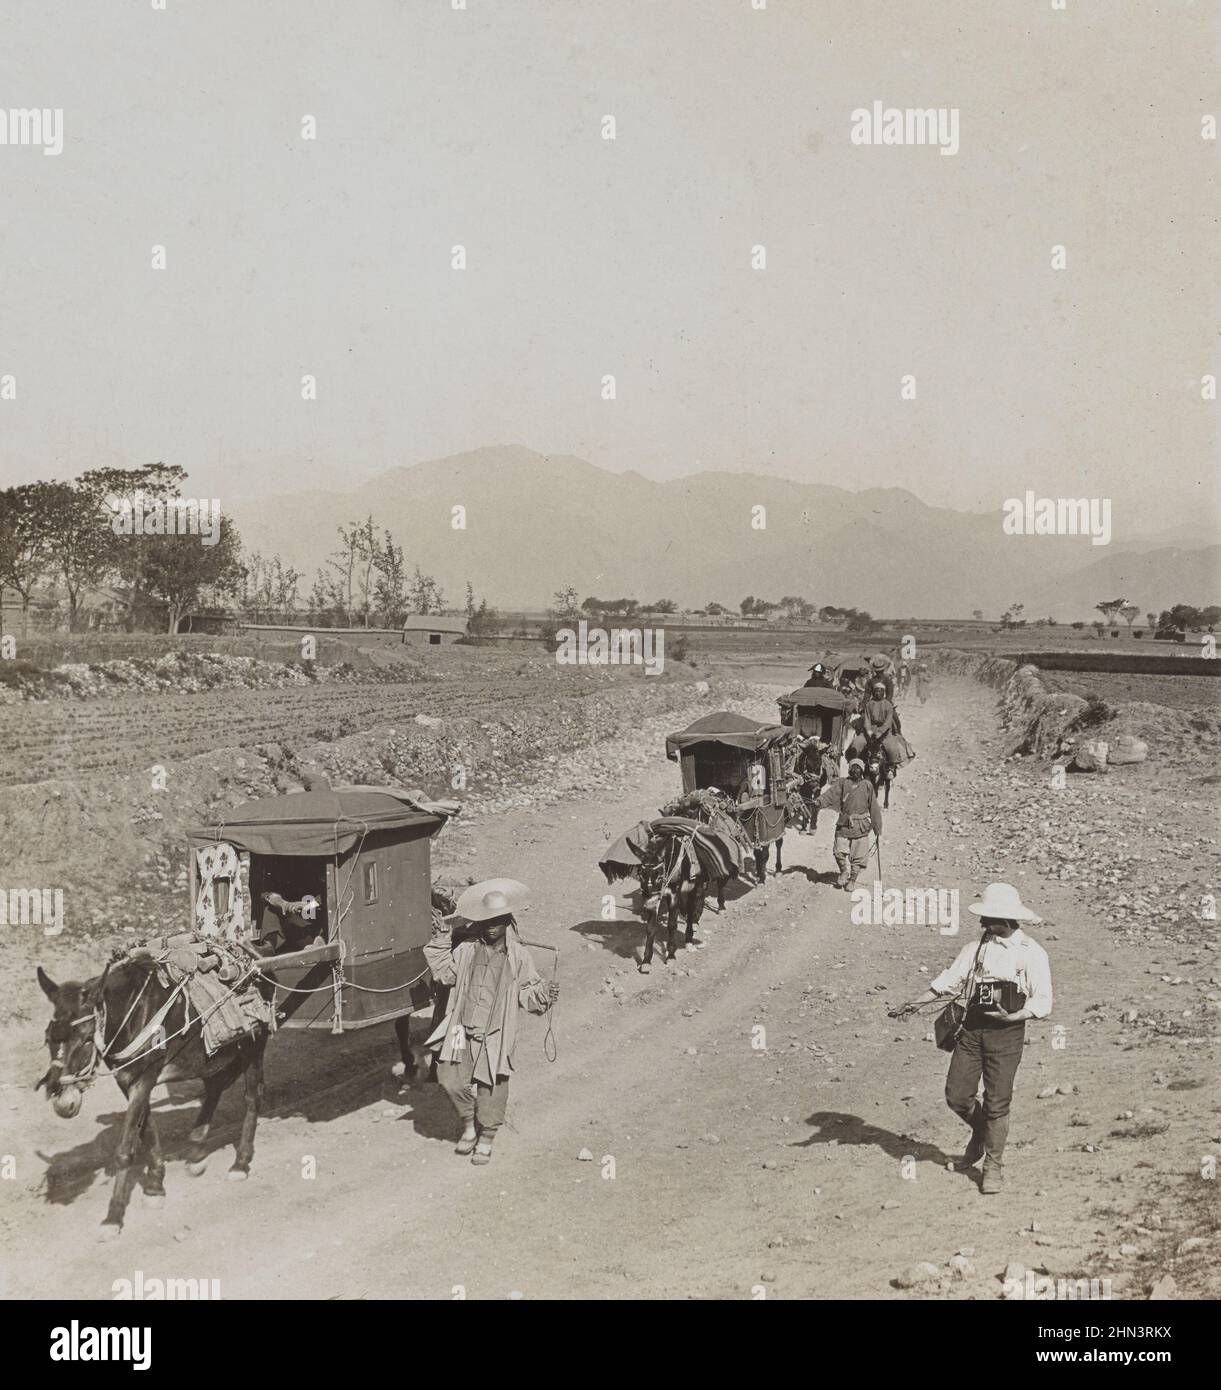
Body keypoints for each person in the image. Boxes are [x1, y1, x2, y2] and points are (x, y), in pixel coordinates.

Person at [891, 883, 1053, 1194]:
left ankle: (993, 1166)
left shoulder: (1031, 954)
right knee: (957, 1094)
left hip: (1007, 1035)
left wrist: (1015, 1016)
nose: (982, 924)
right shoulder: (976, 947)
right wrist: (912, 1004)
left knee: (997, 1102)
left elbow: (1043, 1000)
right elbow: (947, 984)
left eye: (989, 919)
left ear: (1006, 921)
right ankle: (981, 1132)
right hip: (972, 1030)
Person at [424, 878, 558, 1165]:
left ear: (507, 921)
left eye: (496, 921)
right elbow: (446, 975)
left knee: (491, 1085)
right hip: (460, 1027)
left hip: (493, 1032)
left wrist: (545, 993)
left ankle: (485, 1137)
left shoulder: (519, 956)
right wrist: (441, 941)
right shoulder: (467, 949)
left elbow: (528, 994)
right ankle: (469, 1123)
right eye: (485, 921)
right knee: (448, 1077)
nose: (490, 927)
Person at [816, 758, 882, 890]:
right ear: (850, 769)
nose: (855, 770)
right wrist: (820, 801)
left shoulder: (867, 785)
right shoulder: (843, 783)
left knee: (858, 855)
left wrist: (877, 828)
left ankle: (852, 880)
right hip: (844, 823)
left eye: (858, 768)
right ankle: (843, 872)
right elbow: (831, 795)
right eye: (853, 767)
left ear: (862, 770)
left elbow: (874, 807)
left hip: (861, 825)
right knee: (839, 850)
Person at [850, 679, 912, 770]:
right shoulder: (869, 704)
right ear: (873, 692)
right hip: (870, 729)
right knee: (857, 743)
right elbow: (867, 719)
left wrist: (880, 733)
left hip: (885, 732)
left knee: (892, 748)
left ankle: (891, 768)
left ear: (884, 692)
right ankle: (856, 766)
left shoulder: (888, 705)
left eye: (880, 691)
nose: (878, 693)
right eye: (876, 691)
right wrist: (868, 731)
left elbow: (888, 722)